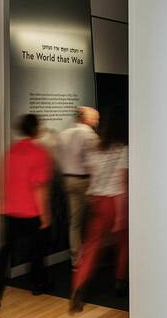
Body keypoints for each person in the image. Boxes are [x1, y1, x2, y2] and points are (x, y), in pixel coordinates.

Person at [0, 114, 53, 312]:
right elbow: (39, 187)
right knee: (38, 249)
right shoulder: (39, 153)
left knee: (4, 253)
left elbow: (6, 181)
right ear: (36, 129)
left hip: (8, 210)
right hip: (30, 212)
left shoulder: (11, 151)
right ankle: (38, 284)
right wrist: (45, 215)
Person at [70, 107, 129, 313]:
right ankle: (120, 281)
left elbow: (91, 175)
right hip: (114, 202)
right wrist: (121, 216)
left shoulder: (96, 148)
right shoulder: (123, 150)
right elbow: (123, 184)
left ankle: (78, 289)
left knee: (90, 246)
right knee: (124, 242)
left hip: (96, 200)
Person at [58, 106, 100, 267]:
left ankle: (76, 259)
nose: (96, 121)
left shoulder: (63, 135)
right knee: (93, 220)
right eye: (95, 118)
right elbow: (95, 162)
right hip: (86, 182)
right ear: (86, 118)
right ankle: (91, 257)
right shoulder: (90, 136)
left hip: (68, 180)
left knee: (74, 223)